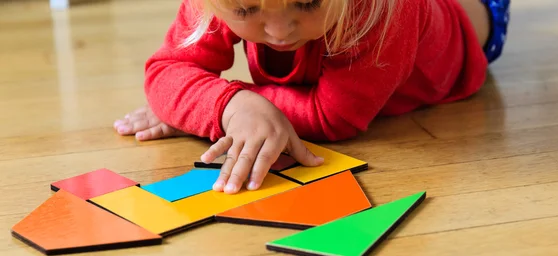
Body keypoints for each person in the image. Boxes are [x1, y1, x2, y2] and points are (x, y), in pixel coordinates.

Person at [113, 0, 510, 194]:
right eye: (247, 10)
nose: (280, 30)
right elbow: (167, 71)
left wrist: (223, 104)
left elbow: (331, 116)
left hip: (472, 24)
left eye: (306, 3)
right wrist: (226, 106)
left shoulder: (387, 10)